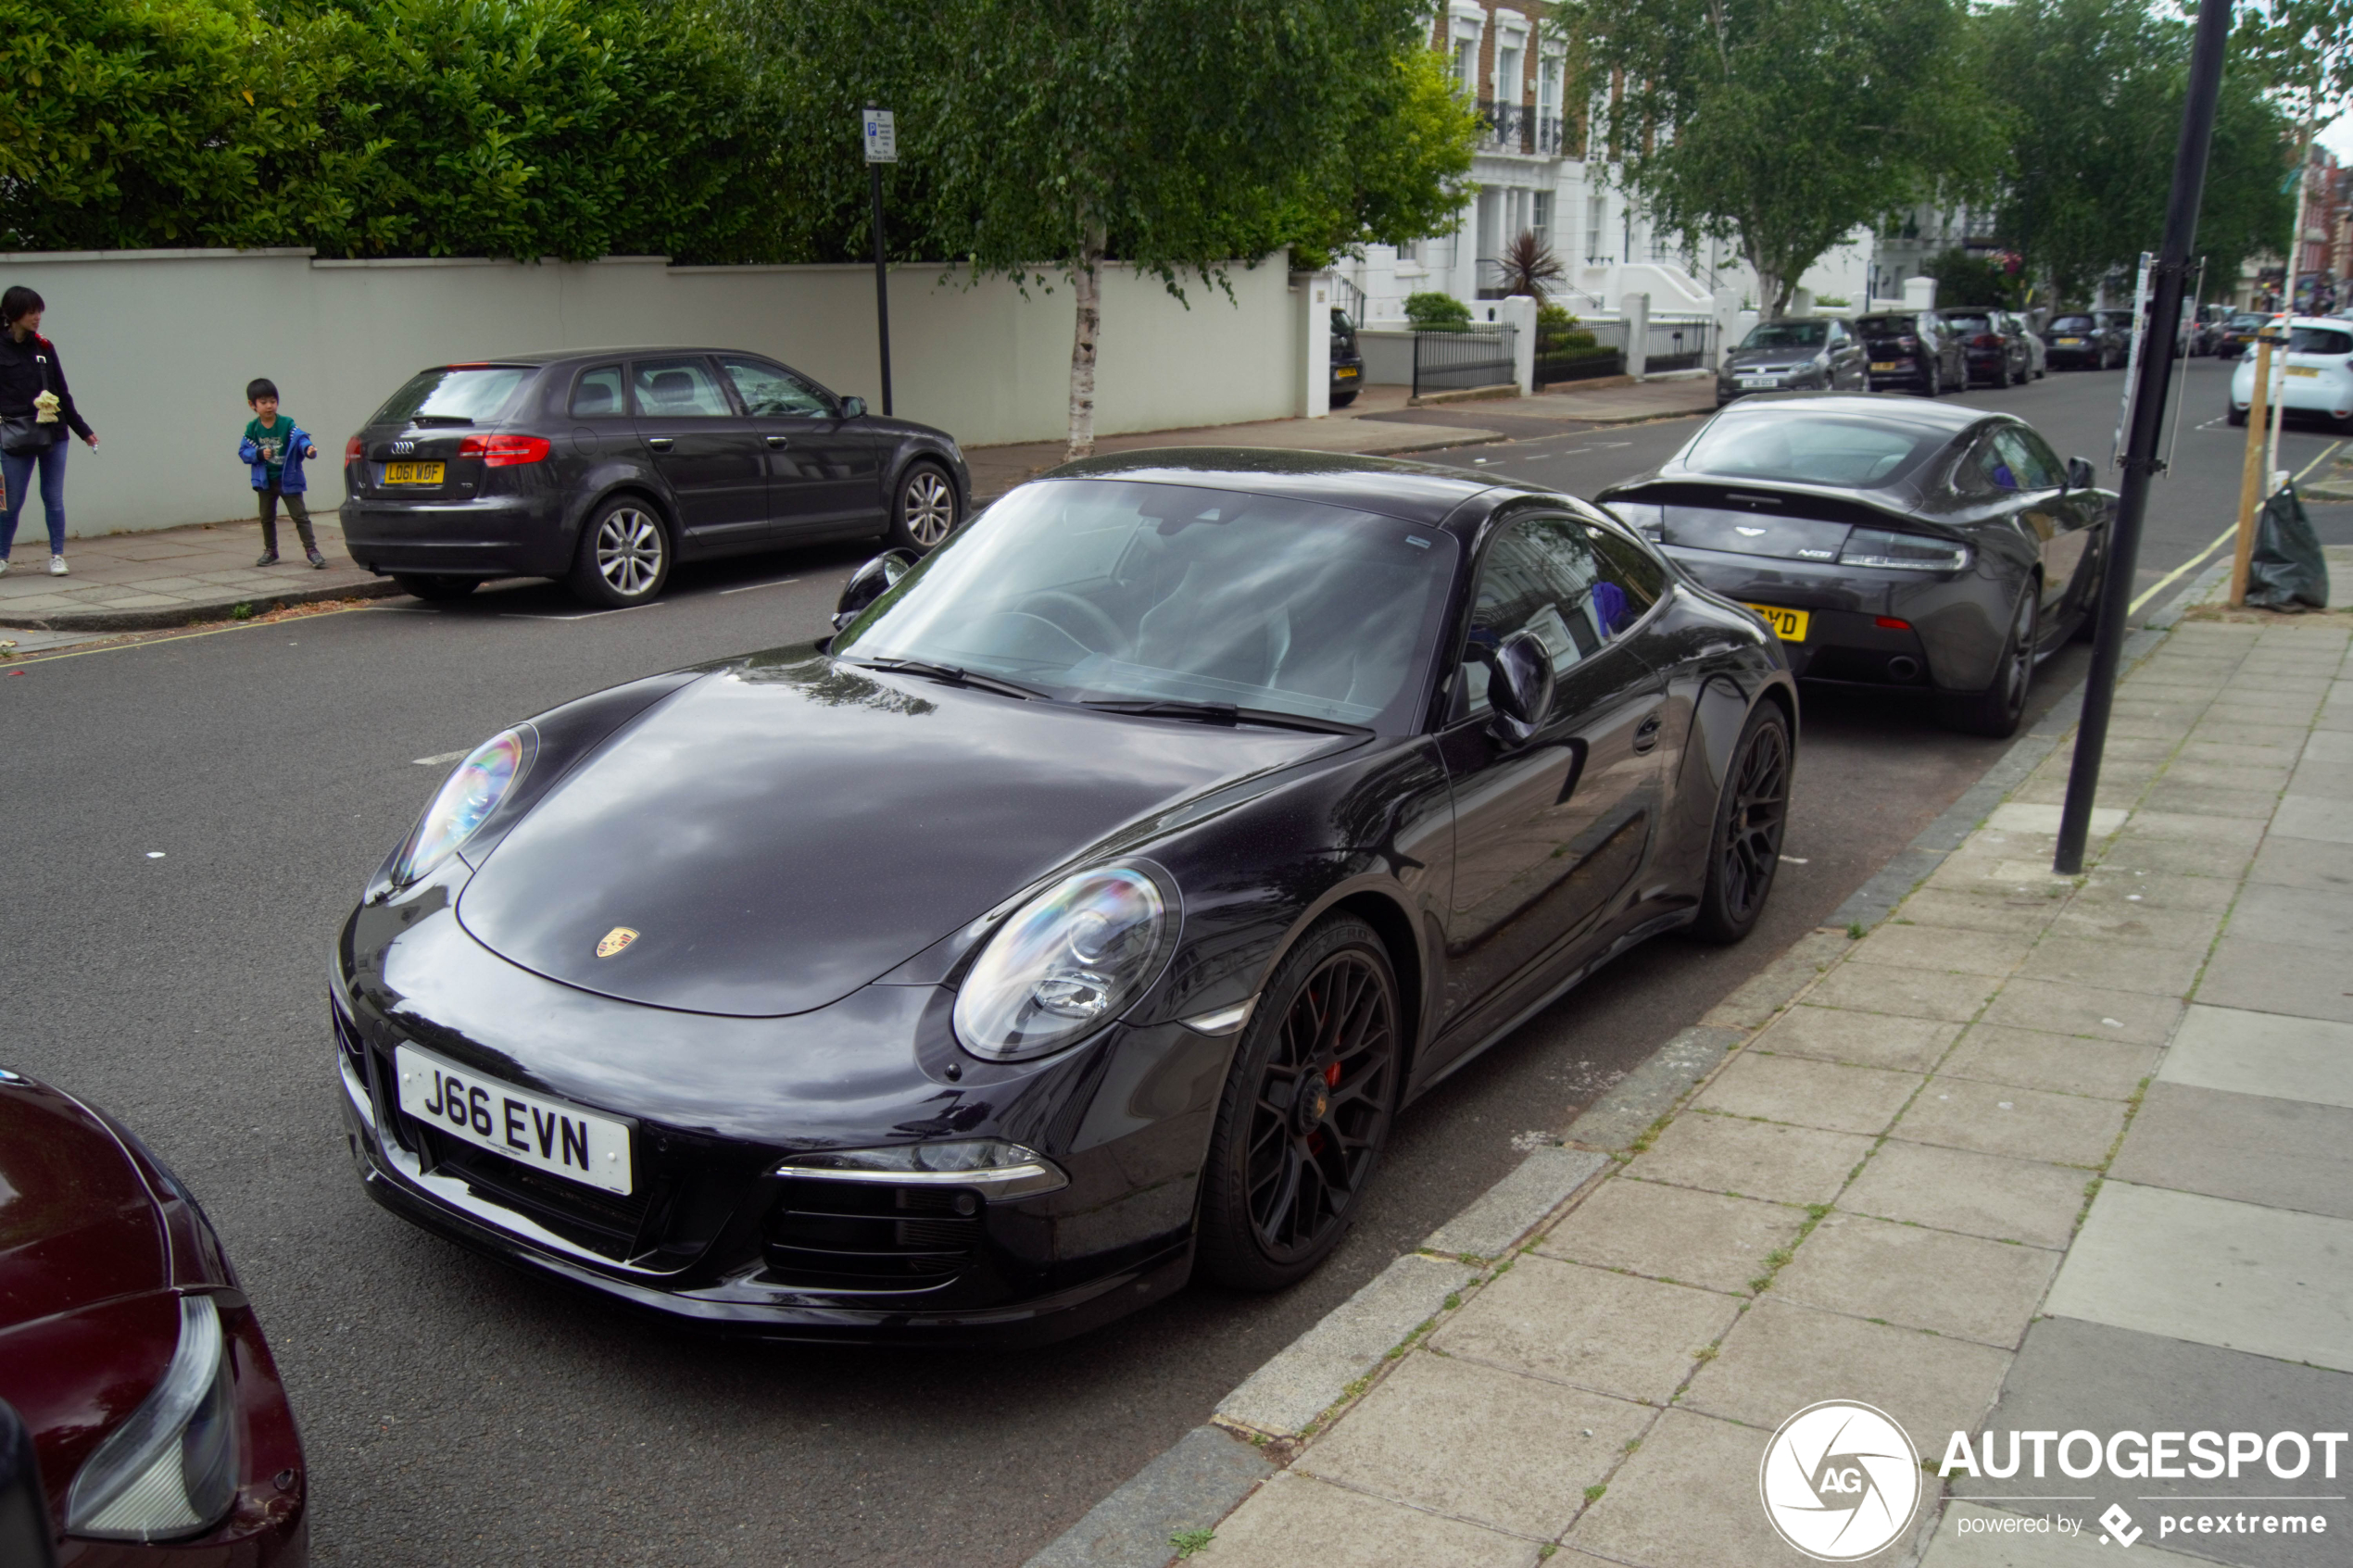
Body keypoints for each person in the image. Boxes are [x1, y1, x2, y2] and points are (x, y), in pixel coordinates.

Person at [0, 286, 98, 579]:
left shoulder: (44, 347)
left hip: (53, 433)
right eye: (31, 312)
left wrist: (83, 431)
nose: (37, 317)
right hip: (14, 435)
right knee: (9, 501)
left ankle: (57, 556)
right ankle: (2, 556)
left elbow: (62, 393)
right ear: (14, 314)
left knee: (52, 497)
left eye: (39, 311)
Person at [239, 378, 325, 569]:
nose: (269, 406)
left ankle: (312, 550)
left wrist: (308, 449)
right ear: (252, 405)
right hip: (265, 481)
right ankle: (271, 550)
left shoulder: (287, 423)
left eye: (273, 401)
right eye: (263, 402)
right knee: (266, 517)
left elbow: (300, 438)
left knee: (300, 516)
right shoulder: (252, 429)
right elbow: (243, 452)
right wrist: (259, 454)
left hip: (288, 479)